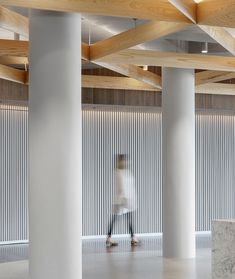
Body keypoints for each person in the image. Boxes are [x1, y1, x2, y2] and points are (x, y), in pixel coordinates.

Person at [106, 154, 139, 247]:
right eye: (123, 160)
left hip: (121, 200)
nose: (125, 162)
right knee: (117, 218)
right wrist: (126, 199)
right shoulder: (119, 172)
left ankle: (132, 237)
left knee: (124, 218)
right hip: (121, 200)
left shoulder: (123, 172)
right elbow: (121, 188)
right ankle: (132, 237)